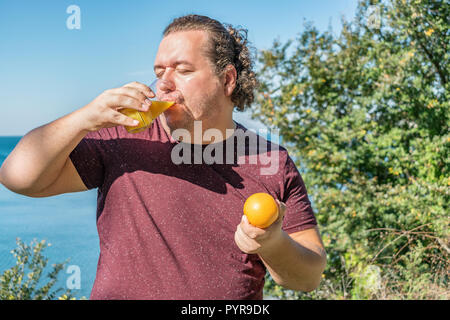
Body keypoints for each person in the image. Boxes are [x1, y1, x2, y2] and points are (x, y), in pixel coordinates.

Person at [0, 14, 326, 300]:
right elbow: (18, 176)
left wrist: (271, 244)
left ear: (227, 80)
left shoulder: (270, 159)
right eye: (159, 71)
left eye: (182, 69)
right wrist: (86, 117)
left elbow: (308, 278)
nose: (163, 84)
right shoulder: (124, 139)